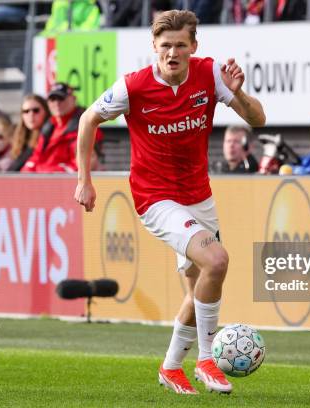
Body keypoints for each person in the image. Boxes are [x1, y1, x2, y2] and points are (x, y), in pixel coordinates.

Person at [74, 10, 265, 394]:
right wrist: (85, 181)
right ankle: (208, 360)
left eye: (181, 45)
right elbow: (87, 119)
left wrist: (238, 92)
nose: (173, 52)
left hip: (199, 196)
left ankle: (171, 367)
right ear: (154, 48)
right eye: (165, 46)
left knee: (200, 291)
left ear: (193, 47)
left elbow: (258, 120)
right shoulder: (134, 87)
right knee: (218, 260)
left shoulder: (209, 74)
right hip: (155, 198)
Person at [22, 83, 102, 173]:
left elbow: (85, 163)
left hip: (68, 182)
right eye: (52, 99)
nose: (57, 103)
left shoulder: (86, 124)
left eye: (61, 98)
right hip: (45, 180)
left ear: (73, 99)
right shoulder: (48, 126)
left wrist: (48, 171)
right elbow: (36, 157)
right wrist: (28, 169)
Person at [8, 94, 51, 171]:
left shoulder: (49, 136)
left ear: (46, 111)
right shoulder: (19, 137)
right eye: (26, 111)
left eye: (36, 110)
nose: (31, 115)